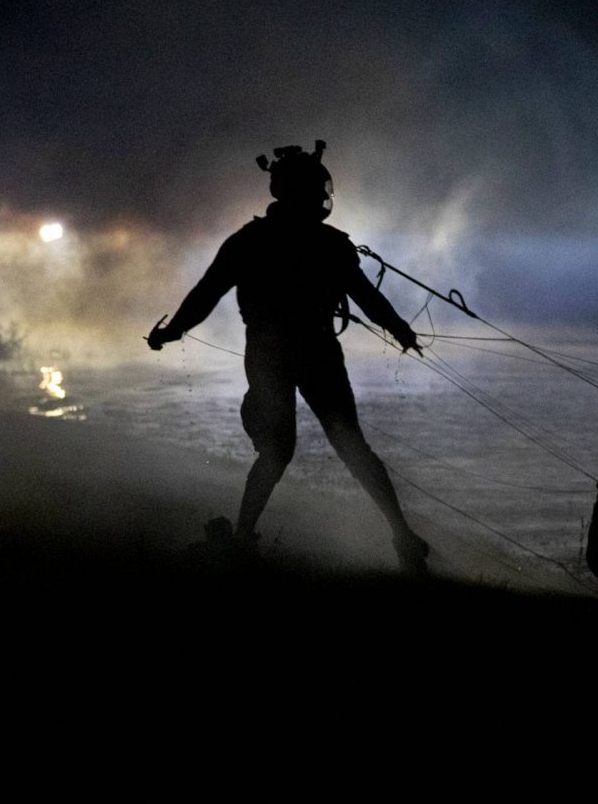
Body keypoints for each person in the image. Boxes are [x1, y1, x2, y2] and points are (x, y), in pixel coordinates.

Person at [147, 141, 430, 574]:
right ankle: (402, 537)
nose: (321, 197)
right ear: (310, 193)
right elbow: (369, 299)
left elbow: (206, 294)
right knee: (350, 446)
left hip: (268, 355)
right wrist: (402, 331)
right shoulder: (330, 244)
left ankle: (244, 537)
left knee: (277, 451)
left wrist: (172, 331)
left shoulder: (250, 241)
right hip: (315, 353)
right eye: (317, 189)